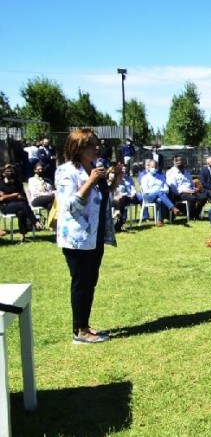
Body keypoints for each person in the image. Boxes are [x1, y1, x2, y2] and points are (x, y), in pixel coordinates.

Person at [55, 129, 125, 344]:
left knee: (90, 281)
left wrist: (115, 181)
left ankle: (84, 325)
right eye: (92, 144)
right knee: (81, 282)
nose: (97, 148)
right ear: (78, 148)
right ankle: (79, 331)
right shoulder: (66, 171)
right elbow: (70, 205)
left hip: (95, 235)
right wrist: (91, 181)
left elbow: (103, 198)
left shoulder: (95, 168)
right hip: (76, 238)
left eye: (97, 144)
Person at [0, 164, 41, 242]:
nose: (10, 173)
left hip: (19, 205)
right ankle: (35, 222)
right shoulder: (1, 184)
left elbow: (23, 197)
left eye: (11, 171)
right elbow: (1, 198)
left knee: (21, 212)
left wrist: (7, 196)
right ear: (3, 173)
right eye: (7, 171)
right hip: (5, 206)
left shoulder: (18, 184)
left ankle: (22, 236)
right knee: (22, 204)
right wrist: (15, 195)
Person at [140, 159, 181, 227]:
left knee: (160, 199)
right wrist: (157, 191)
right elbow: (145, 190)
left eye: (155, 167)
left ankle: (160, 220)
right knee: (159, 192)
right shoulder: (145, 177)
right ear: (149, 167)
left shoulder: (160, 177)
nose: (154, 168)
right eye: (152, 167)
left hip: (160, 196)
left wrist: (160, 192)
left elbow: (166, 189)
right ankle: (172, 208)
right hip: (148, 196)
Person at [111, 164, 141, 231]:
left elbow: (133, 188)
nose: (124, 171)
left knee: (124, 198)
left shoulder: (129, 178)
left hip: (129, 197)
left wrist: (132, 194)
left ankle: (120, 219)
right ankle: (121, 221)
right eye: (122, 170)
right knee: (122, 199)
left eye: (125, 170)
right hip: (119, 198)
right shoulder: (116, 179)